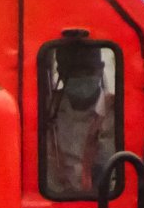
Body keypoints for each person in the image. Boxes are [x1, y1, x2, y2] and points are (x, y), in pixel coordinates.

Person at [44, 36, 119, 198]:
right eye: (73, 74)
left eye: (87, 71)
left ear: (101, 69)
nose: (81, 79)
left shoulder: (116, 112)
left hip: (105, 205)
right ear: (61, 74)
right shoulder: (45, 112)